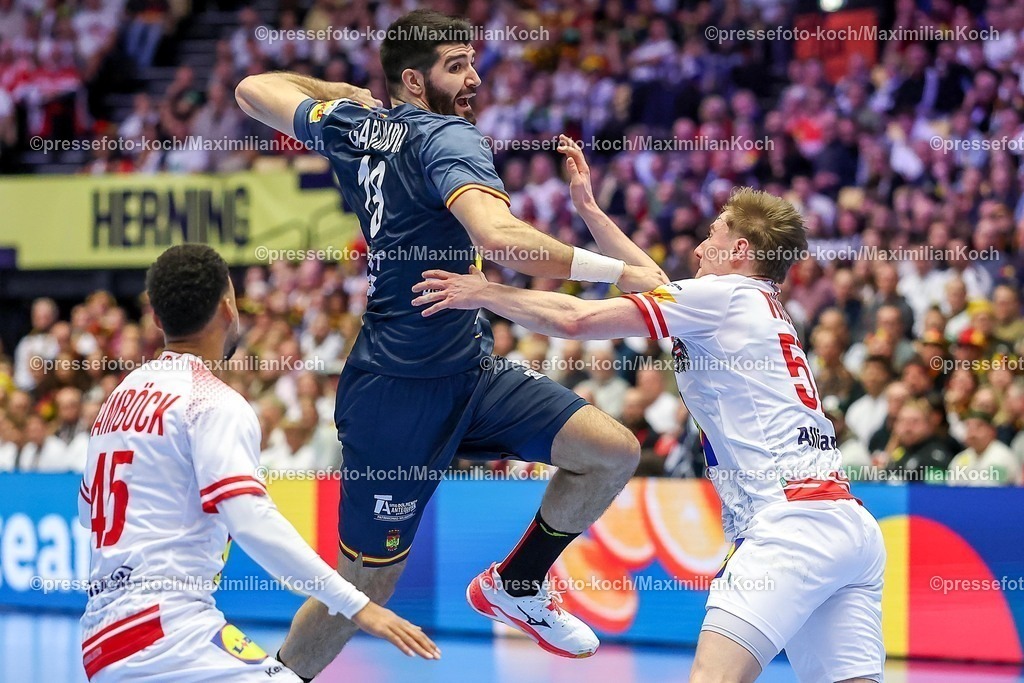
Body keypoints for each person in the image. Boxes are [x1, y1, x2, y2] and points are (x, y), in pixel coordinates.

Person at [234, 9, 664, 676]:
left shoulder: (358, 128)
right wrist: (618, 272)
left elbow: (255, 88)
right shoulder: (449, 139)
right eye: (455, 66)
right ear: (414, 78)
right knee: (367, 582)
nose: (474, 77)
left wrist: (344, 99)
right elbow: (500, 241)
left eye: (473, 61)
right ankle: (281, 673)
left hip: (469, 370)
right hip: (396, 392)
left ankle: (517, 584)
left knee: (610, 452)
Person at [413, 142, 885, 683]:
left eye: (714, 234)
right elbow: (650, 279)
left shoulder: (723, 296)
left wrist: (485, 292)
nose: (702, 245)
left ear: (741, 250)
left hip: (787, 528)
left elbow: (573, 319)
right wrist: (589, 210)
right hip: (846, 525)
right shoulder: (752, 302)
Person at [78, 245, 438, 683]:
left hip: (101, 641)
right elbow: (251, 520)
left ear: (156, 319)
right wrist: (355, 603)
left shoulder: (118, 398)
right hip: (166, 637)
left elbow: (87, 513)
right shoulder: (211, 401)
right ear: (228, 309)